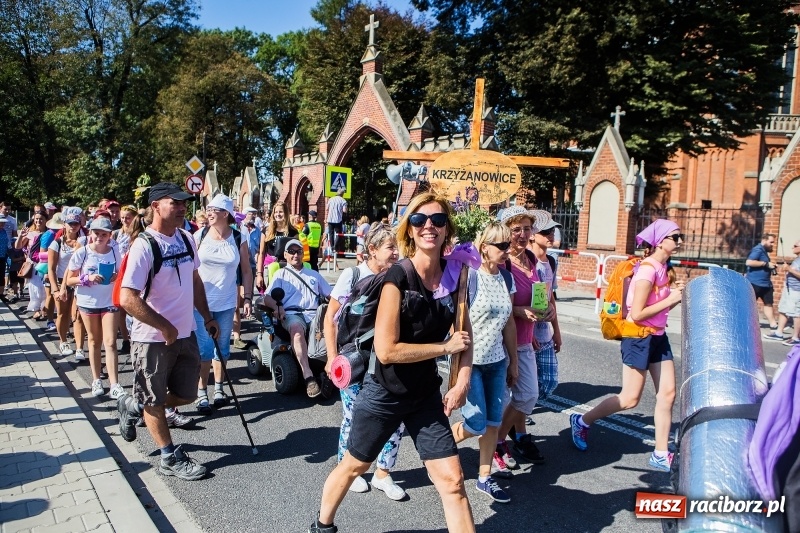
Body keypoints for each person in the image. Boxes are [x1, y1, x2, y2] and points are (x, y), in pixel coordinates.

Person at [311, 192, 475, 533]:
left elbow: (465, 338)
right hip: (384, 391)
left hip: (425, 396)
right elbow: (386, 350)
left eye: (438, 220)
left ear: (447, 228)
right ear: (410, 230)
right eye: (419, 220)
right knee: (354, 466)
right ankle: (322, 525)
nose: (429, 226)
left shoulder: (457, 275)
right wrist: (443, 348)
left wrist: (461, 382)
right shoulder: (397, 277)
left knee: (453, 480)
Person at [117, 182, 218, 481]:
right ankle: (168, 457)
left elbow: (195, 281)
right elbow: (127, 298)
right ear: (157, 205)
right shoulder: (144, 245)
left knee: (187, 394)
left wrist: (207, 317)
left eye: (185, 202)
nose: (183, 207)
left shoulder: (187, 238)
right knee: (154, 399)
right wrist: (164, 326)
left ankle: (132, 404)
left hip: (185, 333)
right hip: (152, 340)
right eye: (176, 202)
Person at [569, 219, 684, 472]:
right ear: (660, 241)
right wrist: (672, 299)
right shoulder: (647, 270)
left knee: (668, 394)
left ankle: (660, 453)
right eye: (675, 237)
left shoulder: (665, 268)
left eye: (680, 237)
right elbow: (638, 314)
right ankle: (582, 420)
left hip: (657, 336)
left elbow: (658, 312)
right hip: (638, 337)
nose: (679, 242)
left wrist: (675, 298)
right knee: (630, 399)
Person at [322, 222, 406, 500]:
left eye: (397, 247)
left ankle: (383, 472)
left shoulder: (399, 276)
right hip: (355, 360)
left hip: (388, 360)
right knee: (354, 416)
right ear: (372, 250)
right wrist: (332, 357)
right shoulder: (353, 274)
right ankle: (349, 469)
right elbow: (331, 318)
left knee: (395, 419)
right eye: (390, 247)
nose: (396, 253)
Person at [451, 221, 518, 503]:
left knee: (492, 422)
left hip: (496, 362)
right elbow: (455, 318)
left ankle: (484, 477)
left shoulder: (506, 278)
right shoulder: (469, 277)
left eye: (509, 245)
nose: (507, 250)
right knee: (476, 423)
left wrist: (513, 360)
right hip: (471, 361)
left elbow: (509, 323)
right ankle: (438, 444)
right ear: (484, 248)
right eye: (501, 246)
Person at [495, 206, 548, 468]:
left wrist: (544, 313)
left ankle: (498, 441)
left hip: (526, 339)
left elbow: (539, 295)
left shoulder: (532, 259)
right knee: (503, 398)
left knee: (527, 395)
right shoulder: (503, 262)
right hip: (503, 343)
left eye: (527, 228)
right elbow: (502, 308)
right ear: (507, 232)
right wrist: (521, 311)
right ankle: (494, 446)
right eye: (517, 229)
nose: (523, 234)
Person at [192, 194, 253, 416]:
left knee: (223, 349)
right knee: (204, 349)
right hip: (201, 304)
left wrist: (247, 297)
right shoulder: (199, 236)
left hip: (227, 302)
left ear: (225, 213)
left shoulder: (239, 237)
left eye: (213, 209)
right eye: (207, 209)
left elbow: (246, 270)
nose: (208, 212)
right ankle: (202, 392)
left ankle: (219, 388)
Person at [262, 239, 331, 398]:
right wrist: (276, 306)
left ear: (303, 254)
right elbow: (267, 298)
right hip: (291, 314)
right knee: (296, 330)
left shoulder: (313, 274)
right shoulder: (280, 274)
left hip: (314, 314)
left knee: (333, 326)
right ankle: (309, 377)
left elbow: (330, 295)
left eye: (298, 251)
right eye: (291, 252)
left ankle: (329, 371)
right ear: (285, 255)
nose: (295, 254)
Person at [65, 217, 122, 398]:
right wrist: (86, 279)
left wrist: (115, 276)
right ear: (91, 234)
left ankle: (114, 384)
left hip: (109, 301)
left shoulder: (115, 251)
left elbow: (121, 272)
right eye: (96, 233)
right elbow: (69, 279)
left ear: (109, 236)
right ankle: (96, 379)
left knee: (111, 342)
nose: (100, 237)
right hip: (87, 302)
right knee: (94, 341)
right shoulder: (82, 253)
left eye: (103, 234)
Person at [526, 212, 563, 404]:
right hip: (527, 332)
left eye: (553, 231)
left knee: (549, 381)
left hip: (544, 332)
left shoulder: (551, 261)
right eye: (546, 231)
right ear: (532, 234)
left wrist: (556, 331)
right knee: (523, 383)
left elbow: (550, 298)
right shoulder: (526, 262)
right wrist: (528, 333)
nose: (551, 235)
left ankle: (521, 409)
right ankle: (518, 416)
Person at [47, 208, 85, 357]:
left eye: (76, 223)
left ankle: (80, 347)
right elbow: (51, 269)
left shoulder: (84, 241)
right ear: (64, 224)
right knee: (63, 314)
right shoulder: (56, 243)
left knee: (78, 315)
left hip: (78, 281)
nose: (73, 226)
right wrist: (55, 290)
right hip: (62, 281)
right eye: (70, 223)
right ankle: (63, 342)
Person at [255, 201, 298, 288]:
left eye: (281, 212)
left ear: (286, 213)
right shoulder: (266, 231)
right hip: (270, 269)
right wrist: (259, 274)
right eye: (276, 212)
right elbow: (261, 253)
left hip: (288, 269)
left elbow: (297, 252)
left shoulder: (293, 232)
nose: (278, 214)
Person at [16, 211, 48, 319]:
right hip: (33, 265)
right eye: (36, 219)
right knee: (36, 289)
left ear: (46, 220)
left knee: (45, 288)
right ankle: (38, 309)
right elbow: (18, 246)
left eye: (41, 219)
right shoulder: (30, 233)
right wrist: (20, 236)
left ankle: (44, 309)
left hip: (45, 264)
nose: (38, 221)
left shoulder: (49, 234)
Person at [749, 234, 781, 339]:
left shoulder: (764, 251)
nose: (772, 244)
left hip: (766, 284)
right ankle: (747, 324)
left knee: (768, 304)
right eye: (771, 242)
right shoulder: (758, 249)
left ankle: (773, 325)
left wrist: (770, 266)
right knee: (750, 305)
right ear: (764, 240)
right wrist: (766, 264)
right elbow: (749, 262)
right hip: (755, 283)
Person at [777, 241, 800, 346]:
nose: (793, 247)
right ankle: (779, 332)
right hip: (790, 289)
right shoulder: (797, 260)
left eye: (795, 246)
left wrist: (789, 269)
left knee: (796, 314)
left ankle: (795, 337)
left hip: (797, 291)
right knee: (784, 309)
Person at [326, 187, 347, 257]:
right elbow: (344, 210)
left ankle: (332, 247)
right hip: (338, 220)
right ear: (342, 194)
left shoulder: (331, 199)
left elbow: (326, 208)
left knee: (331, 234)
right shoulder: (343, 201)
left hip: (330, 219)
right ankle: (335, 246)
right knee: (339, 234)